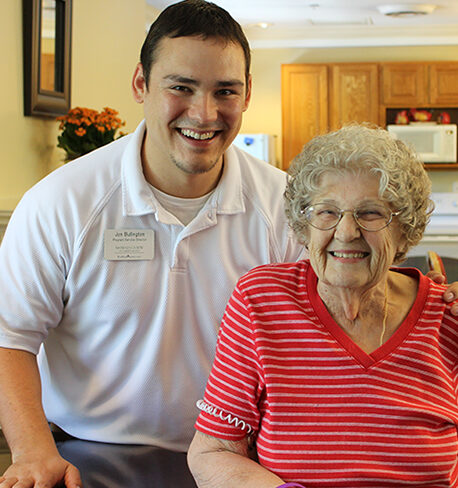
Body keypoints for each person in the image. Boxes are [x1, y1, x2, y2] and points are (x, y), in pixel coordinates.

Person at [0, 1, 455, 486]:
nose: (204, 112)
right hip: (90, 451)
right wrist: (32, 453)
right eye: (181, 87)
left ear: (247, 94)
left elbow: (347, 294)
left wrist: (431, 302)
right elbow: (11, 337)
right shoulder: (60, 202)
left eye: (225, 91)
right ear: (140, 84)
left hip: (244, 461)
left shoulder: (289, 206)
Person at [188, 124, 458, 488]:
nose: (347, 232)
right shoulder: (263, 301)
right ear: (303, 225)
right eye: (327, 212)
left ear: (404, 230)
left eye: (371, 213)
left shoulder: (447, 318)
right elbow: (214, 451)